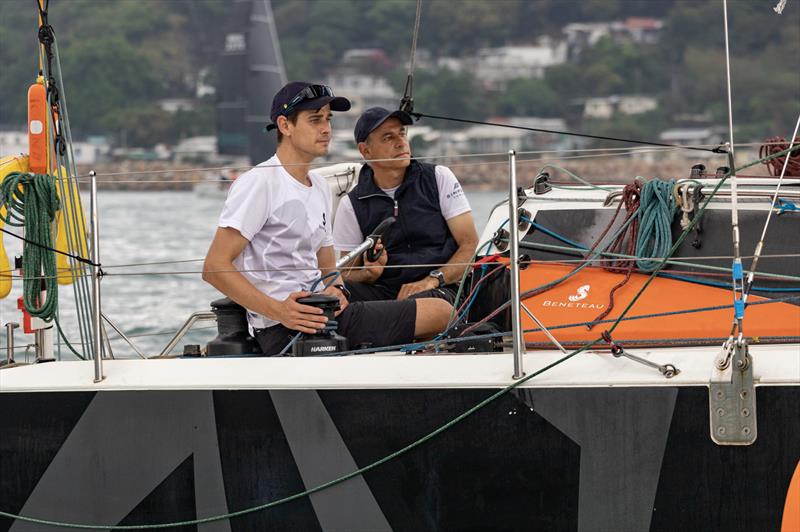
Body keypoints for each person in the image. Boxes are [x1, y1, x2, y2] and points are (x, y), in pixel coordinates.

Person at [202, 82, 452, 356]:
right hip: (284, 328)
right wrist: (280, 312)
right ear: (285, 125)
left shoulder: (319, 186)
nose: (326, 129)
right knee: (441, 312)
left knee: (438, 308)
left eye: (328, 119)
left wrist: (338, 291)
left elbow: (327, 270)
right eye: (315, 120)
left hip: (323, 315)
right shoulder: (260, 182)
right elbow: (215, 267)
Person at [333, 107, 479, 303]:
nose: (401, 142)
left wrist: (432, 280)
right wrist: (368, 274)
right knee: (333, 292)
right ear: (365, 150)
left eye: (402, 133)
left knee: (426, 303)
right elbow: (347, 273)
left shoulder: (438, 177)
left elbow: (470, 245)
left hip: (441, 288)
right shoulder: (351, 203)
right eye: (388, 137)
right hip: (385, 293)